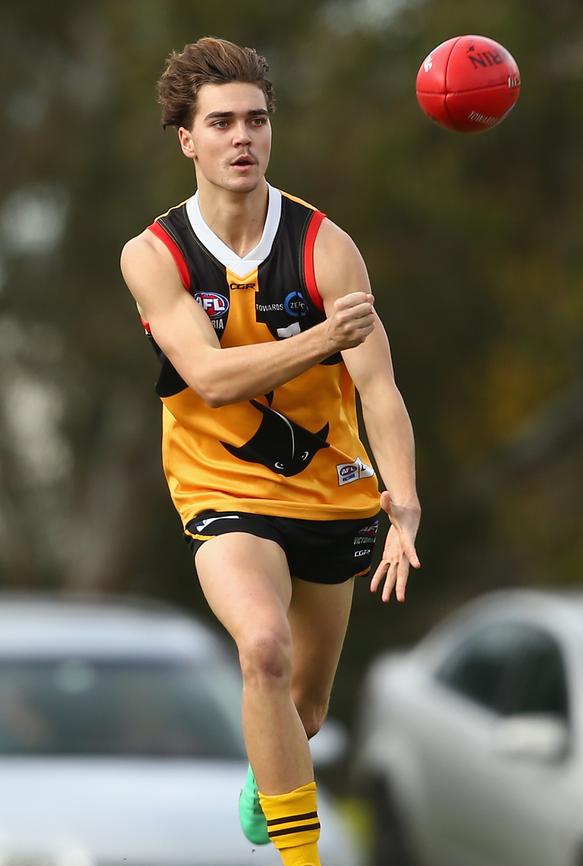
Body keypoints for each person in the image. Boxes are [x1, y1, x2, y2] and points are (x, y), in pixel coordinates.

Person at [120, 36, 420, 866]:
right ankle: (302, 859)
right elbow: (211, 380)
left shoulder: (326, 246)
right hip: (219, 483)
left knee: (306, 708)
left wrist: (406, 498)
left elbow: (379, 387)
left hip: (332, 488)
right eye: (221, 123)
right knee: (262, 645)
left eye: (256, 119)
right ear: (188, 139)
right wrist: (323, 334)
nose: (242, 137)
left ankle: (275, 766)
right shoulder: (153, 255)